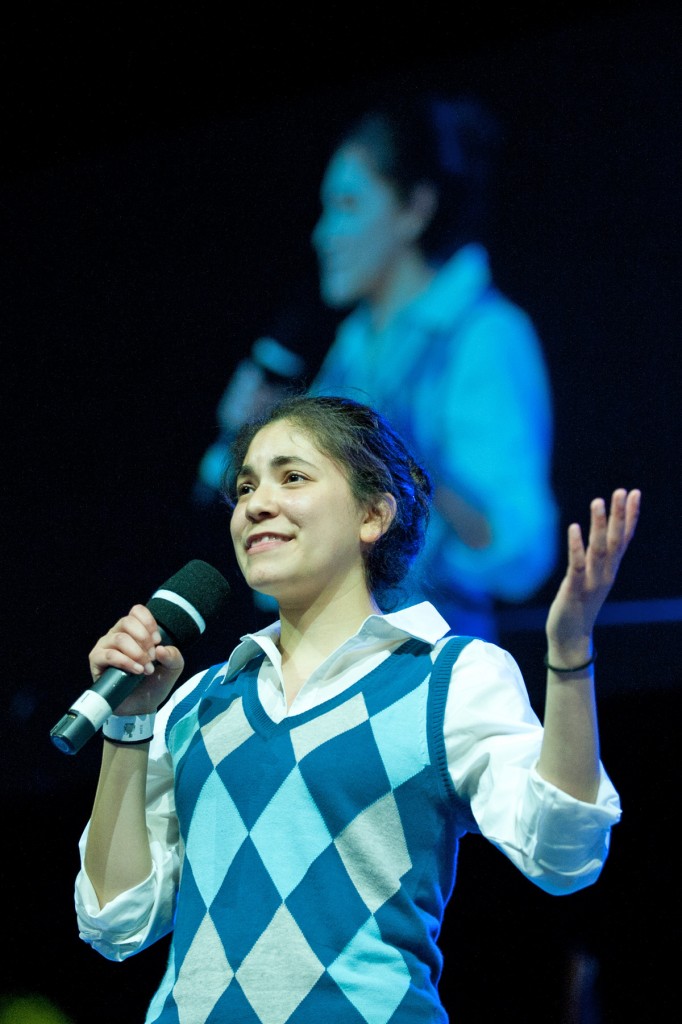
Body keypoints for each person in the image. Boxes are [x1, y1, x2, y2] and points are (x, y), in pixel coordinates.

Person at [74, 393, 639, 1024]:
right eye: (246, 487)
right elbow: (113, 920)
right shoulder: (198, 703)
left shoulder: (448, 677)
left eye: (292, 477)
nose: (256, 504)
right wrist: (128, 723)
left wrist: (569, 655)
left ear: (373, 515)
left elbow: (563, 854)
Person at [194, 92, 558, 640]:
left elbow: (517, 551)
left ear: (414, 209)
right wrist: (251, 435)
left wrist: (403, 452)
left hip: (431, 660)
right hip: (328, 653)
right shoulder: (355, 344)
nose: (323, 234)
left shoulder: (483, 334)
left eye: (347, 206)